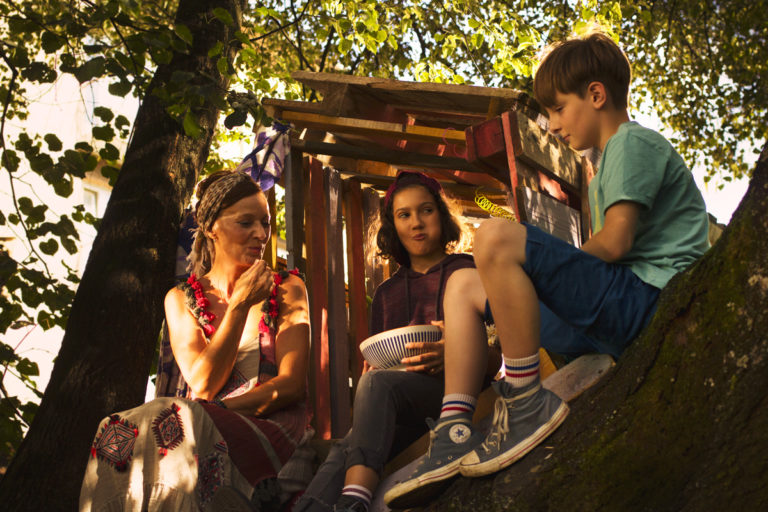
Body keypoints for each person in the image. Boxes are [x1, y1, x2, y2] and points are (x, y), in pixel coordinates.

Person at [384, 31, 710, 508]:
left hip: (650, 300)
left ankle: (523, 402)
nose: (553, 125)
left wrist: (537, 276)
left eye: (558, 109)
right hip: (616, 313)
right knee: (463, 286)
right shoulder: (603, 167)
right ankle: (454, 430)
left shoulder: (633, 142)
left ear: (595, 95)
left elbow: (615, 242)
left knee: (494, 237)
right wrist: (516, 298)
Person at [80, 171, 313, 511]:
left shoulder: (287, 288)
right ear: (211, 227)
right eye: (246, 223)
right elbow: (205, 382)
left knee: (177, 418)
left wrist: (214, 410)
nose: (261, 234)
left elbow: (290, 386)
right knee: (115, 428)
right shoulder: (181, 299)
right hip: (199, 428)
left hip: (271, 431)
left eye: (265, 223)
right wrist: (240, 305)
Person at [293, 171, 501, 512]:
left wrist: (457, 352)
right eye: (404, 215)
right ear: (393, 226)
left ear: (442, 215)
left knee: (375, 390)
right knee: (348, 442)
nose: (416, 222)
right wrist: (374, 375)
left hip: (464, 398)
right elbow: (380, 370)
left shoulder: (468, 272)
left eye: (426, 210)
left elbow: (499, 360)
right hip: (404, 408)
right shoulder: (387, 294)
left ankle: (354, 500)